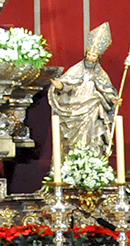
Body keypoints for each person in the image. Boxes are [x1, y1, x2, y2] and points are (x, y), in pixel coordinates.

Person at [50, 23, 119, 160]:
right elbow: (68, 83)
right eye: (89, 54)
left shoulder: (101, 74)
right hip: (75, 106)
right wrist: (60, 86)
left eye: (94, 55)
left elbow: (107, 89)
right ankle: (73, 160)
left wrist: (113, 99)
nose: (91, 57)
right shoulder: (76, 69)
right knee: (72, 138)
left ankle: (92, 161)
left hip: (92, 107)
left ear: (97, 58)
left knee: (93, 131)